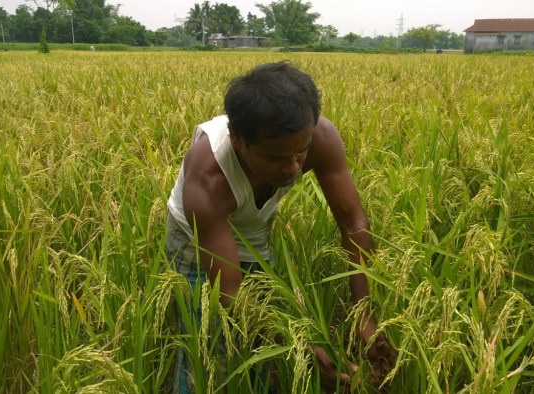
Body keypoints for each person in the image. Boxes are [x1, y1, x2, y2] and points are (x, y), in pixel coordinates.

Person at [166, 61, 397, 393]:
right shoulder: (209, 179)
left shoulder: (319, 137)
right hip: (195, 241)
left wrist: (363, 315)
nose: (292, 168)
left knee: (265, 353)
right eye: (276, 158)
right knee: (210, 345)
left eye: (300, 153)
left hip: (254, 235)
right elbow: (229, 290)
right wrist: (299, 345)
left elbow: (352, 221)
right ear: (238, 140)